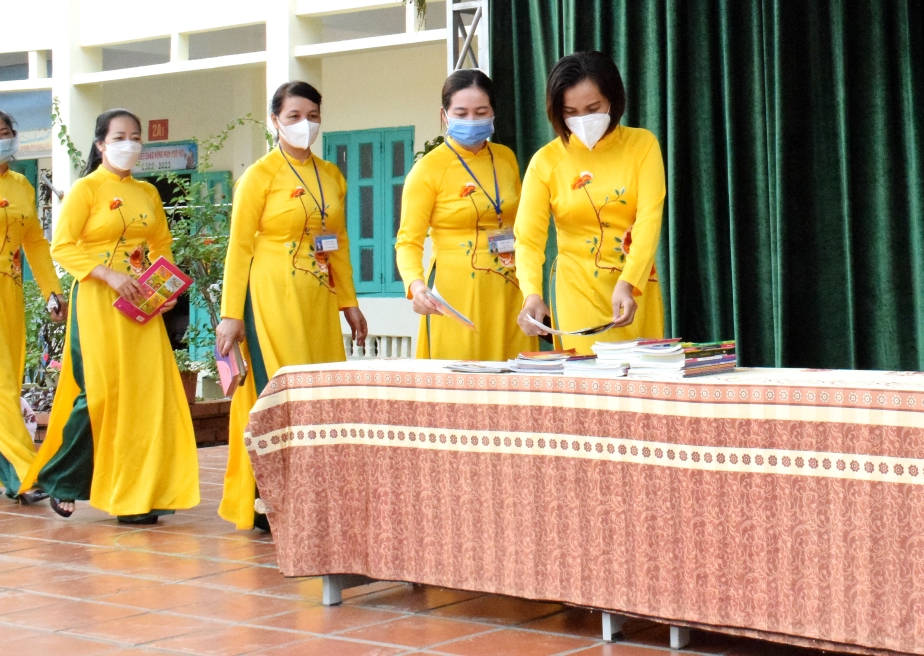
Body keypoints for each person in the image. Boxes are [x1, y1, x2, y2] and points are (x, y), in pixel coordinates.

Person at [22, 109, 199, 523]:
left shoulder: (147, 192)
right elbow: (62, 247)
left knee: (147, 396)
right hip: (98, 303)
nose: (129, 144)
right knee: (101, 394)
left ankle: (140, 495)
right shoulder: (86, 189)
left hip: (142, 305)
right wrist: (109, 275)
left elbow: (161, 246)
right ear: (101, 144)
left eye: (135, 136)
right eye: (120, 137)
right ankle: (63, 479)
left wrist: (167, 292)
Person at [215, 81, 367, 531]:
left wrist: (349, 302)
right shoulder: (259, 176)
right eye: (295, 116)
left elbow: (338, 242)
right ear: (275, 121)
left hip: (318, 296)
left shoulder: (331, 175)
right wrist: (231, 314)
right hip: (271, 293)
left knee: (319, 393)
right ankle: (269, 497)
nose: (306, 124)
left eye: (313, 116)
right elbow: (239, 247)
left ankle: (311, 493)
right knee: (279, 392)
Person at [514, 51, 665, 350]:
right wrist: (531, 294)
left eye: (593, 108)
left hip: (635, 288)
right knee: (587, 373)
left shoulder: (642, 145)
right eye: (570, 112)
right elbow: (528, 240)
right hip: (576, 292)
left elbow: (649, 220)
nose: (582, 120)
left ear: (613, 100)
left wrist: (628, 283)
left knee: (641, 373)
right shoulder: (546, 162)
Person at [397, 70, 532, 362]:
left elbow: (523, 227)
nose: (472, 120)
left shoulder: (506, 158)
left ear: (493, 113)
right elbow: (408, 241)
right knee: (463, 377)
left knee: (513, 375)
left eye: (481, 112)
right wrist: (416, 286)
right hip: (455, 296)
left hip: (510, 289)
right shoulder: (428, 169)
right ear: (444, 115)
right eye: (461, 113)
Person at [0, 108, 64, 503]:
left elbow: (35, 243)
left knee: (5, 380)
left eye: (3, 132)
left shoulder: (21, 185)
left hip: (9, 291)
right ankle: (24, 475)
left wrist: (52, 291)